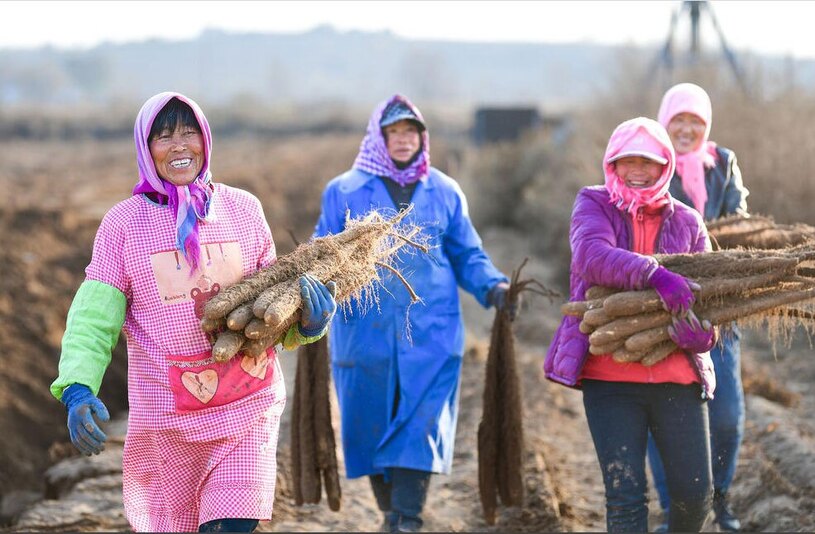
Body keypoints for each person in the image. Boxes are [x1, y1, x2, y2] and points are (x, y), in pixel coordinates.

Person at [50, 92, 337, 533]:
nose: (179, 145)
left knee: (229, 525)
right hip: (169, 421)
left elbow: (270, 311)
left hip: (248, 406)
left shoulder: (243, 211)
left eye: (189, 132)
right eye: (164, 136)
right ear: (146, 150)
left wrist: (308, 324)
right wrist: (77, 387)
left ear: (206, 139)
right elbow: (93, 319)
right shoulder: (124, 225)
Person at [312, 94, 512, 532]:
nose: (403, 141)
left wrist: (493, 286)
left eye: (411, 133)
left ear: (423, 139)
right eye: (394, 133)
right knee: (369, 427)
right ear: (378, 139)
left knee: (420, 427)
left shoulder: (443, 191)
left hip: (432, 333)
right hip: (364, 333)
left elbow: (467, 253)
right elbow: (319, 257)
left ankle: (408, 518)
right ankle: (393, 515)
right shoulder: (344, 191)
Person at [544, 117, 718, 532]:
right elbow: (591, 255)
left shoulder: (689, 222)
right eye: (628, 162)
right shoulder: (593, 203)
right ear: (612, 165)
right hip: (611, 376)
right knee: (625, 496)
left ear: (665, 166)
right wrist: (655, 275)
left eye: (648, 162)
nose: (638, 170)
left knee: (695, 496)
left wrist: (706, 335)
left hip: (677, 377)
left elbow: (716, 299)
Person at [647, 82, 750, 532]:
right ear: (665, 121)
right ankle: (675, 508)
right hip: (660, 306)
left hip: (720, 308)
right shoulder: (648, 162)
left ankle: (721, 501)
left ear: (705, 126)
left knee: (725, 415)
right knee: (665, 411)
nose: (687, 129)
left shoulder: (723, 164)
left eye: (696, 122)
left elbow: (742, 222)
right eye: (679, 120)